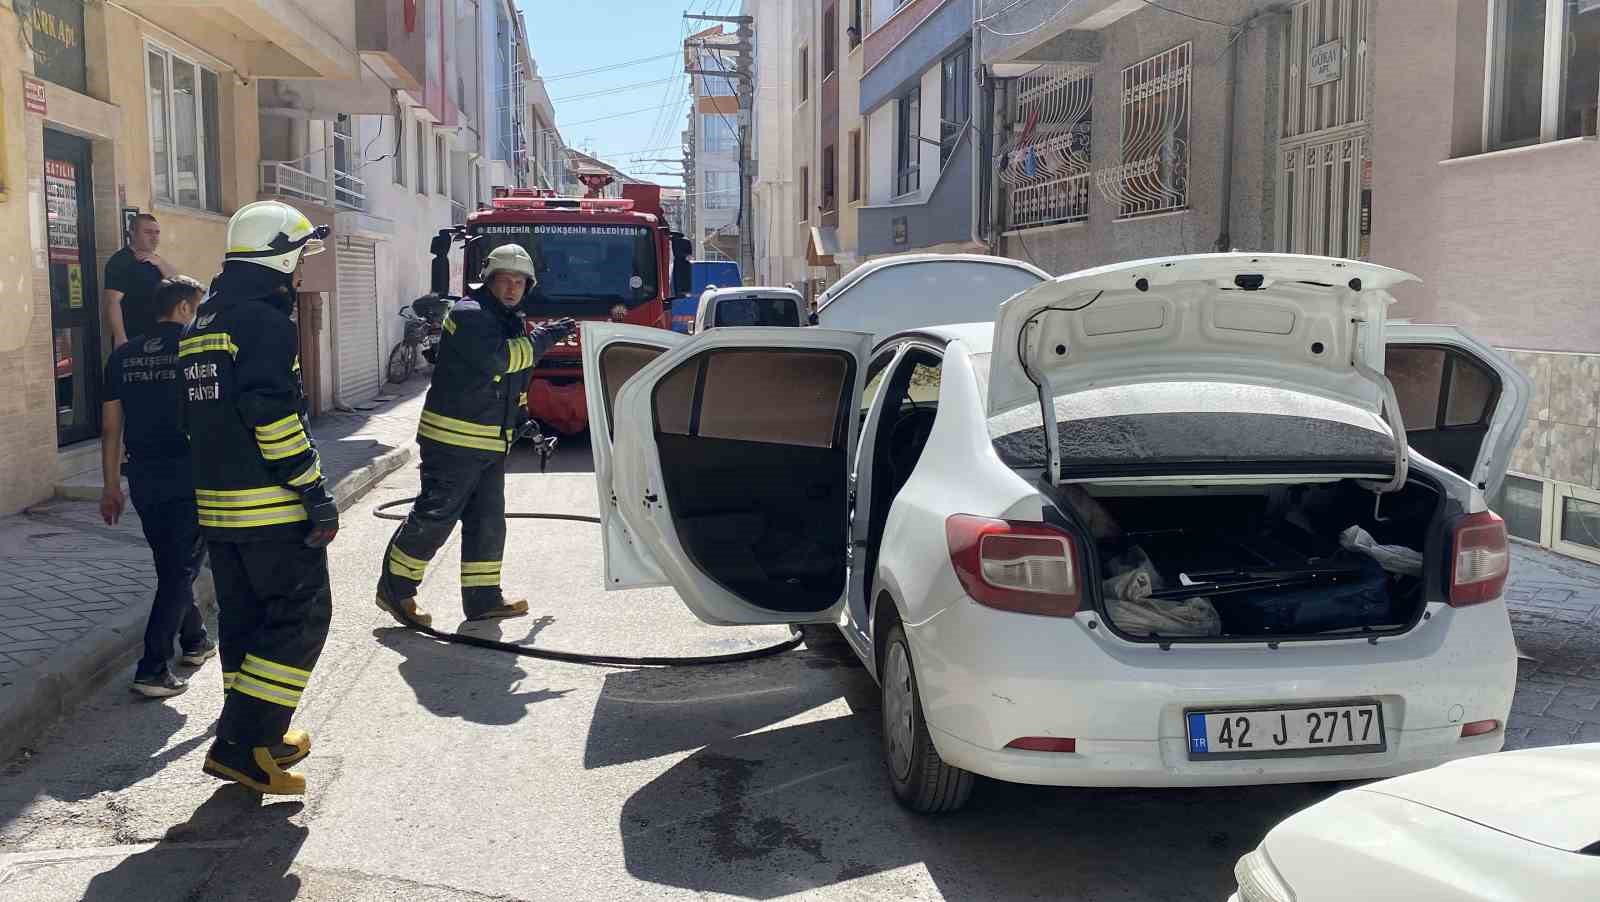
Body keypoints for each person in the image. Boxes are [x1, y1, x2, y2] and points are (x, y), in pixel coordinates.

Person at [183, 200, 337, 795]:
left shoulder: (204, 321)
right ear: (281, 255)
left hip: (219, 508)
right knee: (301, 619)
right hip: (271, 505)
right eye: (299, 255)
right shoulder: (266, 322)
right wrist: (312, 488)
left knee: (247, 623)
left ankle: (255, 738)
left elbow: (192, 418)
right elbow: (272, 416)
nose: (301, 268)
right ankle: (239, 746)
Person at [376, 244, 575, 626]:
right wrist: (544, 340)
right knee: (436, 518)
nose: (513, 288)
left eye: (520, 282)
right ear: (490, 280)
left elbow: (513, 380)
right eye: (506, 280)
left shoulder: (508, 320)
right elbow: (500, 360)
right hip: (453, 442)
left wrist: (521, 419)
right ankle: (395, 589)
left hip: (487, 442)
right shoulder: (471, 314)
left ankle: (483, 598)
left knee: (488, 521)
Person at [99, 276, 216, 698]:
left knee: (172, 564)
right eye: (198, 308)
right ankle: (152, 668)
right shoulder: (195, 351)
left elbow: (111, 427)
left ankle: (196, 640)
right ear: (184, 309)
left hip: (144, 477)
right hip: (190, 476)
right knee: (179, 569)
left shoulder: (123, 356)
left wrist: (111, 486)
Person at [104, 214, 177, 348]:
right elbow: (112, 301)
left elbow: (177, 284)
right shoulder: (121, 261)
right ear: (132, 233)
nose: (154, 237)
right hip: (134, 337)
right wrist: (121, 338)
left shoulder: (155, 261)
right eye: (148, 232)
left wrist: (160, 263)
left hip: (158, 336)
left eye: (157, 233)